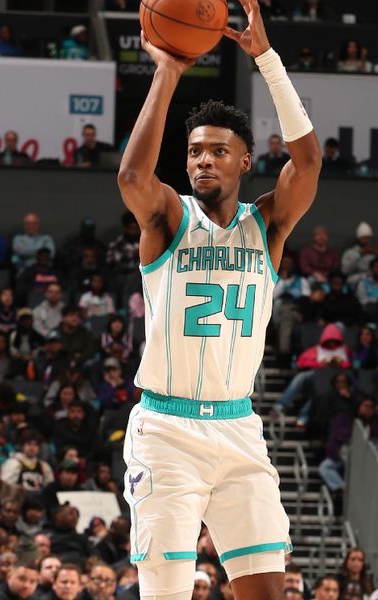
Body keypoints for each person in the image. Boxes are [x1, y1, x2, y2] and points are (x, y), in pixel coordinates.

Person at [117, 1, 321, 596]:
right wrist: (168, 71)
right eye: (194, 151)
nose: (203, 159)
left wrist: (266, 58)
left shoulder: (269, 226)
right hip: (166, 431)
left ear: (244, 162)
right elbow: (132, 178)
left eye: (218, 150)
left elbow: (307, 160)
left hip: (238, 430)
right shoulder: (168, 218)